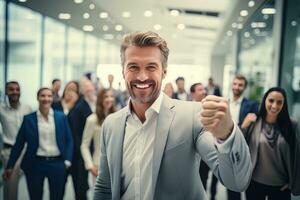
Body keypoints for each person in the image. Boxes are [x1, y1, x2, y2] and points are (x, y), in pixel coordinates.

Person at [93, 31, 252, 199]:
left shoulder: (192, 116)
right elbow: (105, 186)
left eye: (151, 67)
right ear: (123, 71)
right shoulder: (111, 124)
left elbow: (237, 182)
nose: (142, 76)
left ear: (164, 72)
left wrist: (227, 134)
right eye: (133, 67)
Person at [3, 87, 73, 200]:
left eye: (49, 96)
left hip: (57, 163)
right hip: (35, 163)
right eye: (43, 96)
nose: (46, 98)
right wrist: (10, 166)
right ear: (37, 98)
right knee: (35, 196)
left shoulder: (61, 117)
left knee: (57, 197)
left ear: (52, 98)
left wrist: (67, 160)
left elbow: (69, 140)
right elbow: (19, 144)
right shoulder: (28, 119)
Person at [241, 87, 300, 200]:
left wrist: (292, 182)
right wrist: (243, 126)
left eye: (279, 102)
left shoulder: (292, 125)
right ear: (264, 101)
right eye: (271, 100)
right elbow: (239, 145)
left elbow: (297, 155)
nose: (274, 106)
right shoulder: (253, 121)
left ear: (284, 105)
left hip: (281, 186)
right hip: (254, 183)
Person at [227, 74, 259, 200]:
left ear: (244, 87)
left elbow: (253, 126)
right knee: (232, 187)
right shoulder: (225, 102)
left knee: (249, 189)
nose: (237, 87)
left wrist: (243, 126)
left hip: (245, 149)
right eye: (235, 84)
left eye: (240, 85)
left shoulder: (251, 105)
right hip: (228, 148)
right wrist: (242, 124)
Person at [0, 81, 31, 200]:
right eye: (11, 89)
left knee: (32, 185)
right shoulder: (1, 109)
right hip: (9, 151)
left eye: (17, 89)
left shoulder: (27, 108)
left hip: (27, 151)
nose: (15, 92)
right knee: (10, 187)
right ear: (6, 92)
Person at [68, 77, 95, 200]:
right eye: (86, 87)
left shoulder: (92, 103)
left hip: (92, 149)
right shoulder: (79, 107)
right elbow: (76, 133)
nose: (90, 89)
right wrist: (83, 153)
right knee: (81, 185)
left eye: (91, 86)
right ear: (82, 90)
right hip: (81, 152)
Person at [80, 88, 116, 182]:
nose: (109, 99)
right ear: (100, 99)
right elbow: (84, 145)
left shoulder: (118, 117)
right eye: (106, 97)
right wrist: (90, 166)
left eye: (111, 96)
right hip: (99, 166)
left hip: (117, 165)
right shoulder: (92, 119)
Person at [190, 83, 218, 200]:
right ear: (193, 93)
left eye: (204, 89)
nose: (204, 92)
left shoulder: (211, 108)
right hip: (194, 151)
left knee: (214, 177)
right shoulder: (187, 109)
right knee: (201, 179)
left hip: (212, 147)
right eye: (200, 89)